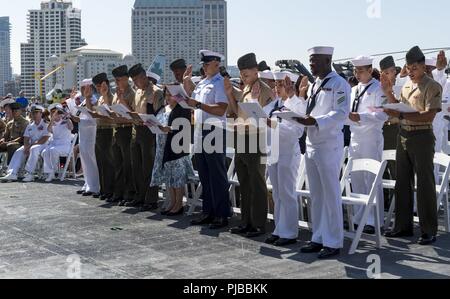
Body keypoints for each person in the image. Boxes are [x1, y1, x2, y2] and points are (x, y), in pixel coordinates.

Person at [382, 46, 442, 245]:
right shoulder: (407, 85)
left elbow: (429, 115)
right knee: (402, 182)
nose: (411, 71)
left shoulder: (432, 86)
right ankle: (402, 226)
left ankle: (428, 230)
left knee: (424, 183)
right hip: (404, 135)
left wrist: (399, 114)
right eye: (408, 68)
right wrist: (388, 93)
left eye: (414, 67)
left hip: (422, 135)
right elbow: (400, 107)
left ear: (423, 66)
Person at [294, 46, 351, 259]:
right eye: (310, 61)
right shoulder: (315, 84)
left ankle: (333, 241)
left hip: (328, 145)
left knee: (331, 194)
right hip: (311, 143)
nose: (311, 65)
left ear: (327, 60)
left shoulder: (339, 84)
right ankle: (318, 237)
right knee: (316, 195)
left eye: (315, 61)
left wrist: (316, 121)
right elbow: (311, 110)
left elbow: (341, 113)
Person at [226, 53, 273, 238]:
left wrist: (253, 101)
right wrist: (230, 93)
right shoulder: (246, 89)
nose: (243, 78)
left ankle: (259, 224)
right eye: (241, 75)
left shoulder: (264, 90)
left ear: (256, 71)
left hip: (256, 139)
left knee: (257, 183)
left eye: (246, 74)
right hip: (241, 138)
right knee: (243, 182)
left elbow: (264, 119)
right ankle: (246, 222)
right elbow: (235, 111)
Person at [184, 50, 231, 229]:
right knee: (204, 173)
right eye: (203, 64)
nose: (203, 66)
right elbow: (193, 101)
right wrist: (186, 85)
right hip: (200, 129)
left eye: (206, 63)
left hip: (214, 130)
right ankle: (208, 211)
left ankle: (221, 214)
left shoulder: (220, 83)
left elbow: (220, 109)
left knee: (217, 174)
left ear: (216, 64)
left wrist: (197, 104)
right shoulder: (203, 82)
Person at [264, 71, 306, 246]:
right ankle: (279, 228)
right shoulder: (274, 105)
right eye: (276, 84)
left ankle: (289, 232)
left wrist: (271, 125)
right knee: (278, 194)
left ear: (292, 86)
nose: (277, 87)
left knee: (287, 193)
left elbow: (296, 132)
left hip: (288, 153)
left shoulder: (299, 104)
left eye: (281, 84)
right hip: (273, 152)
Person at [347, 56, 388, 235]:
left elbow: (383, 115)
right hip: (355, 137)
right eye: (355, 71)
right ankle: (359, 217)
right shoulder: (353, 90)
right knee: (356, 178)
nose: (357, 74)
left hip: (371, 137)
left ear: (370, 70)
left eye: (361, 70)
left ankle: (374, 219)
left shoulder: (379, 89)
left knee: (372, 179)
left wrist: (361, 117)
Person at [149, 88, 195, 216]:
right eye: (167, 95)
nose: (168, 98)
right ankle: (172, 202)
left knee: (177, 178)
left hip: (176, 148)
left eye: (171, 95)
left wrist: (170, 129)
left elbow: (184, 126)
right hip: (162, 147)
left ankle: (178, 204)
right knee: (168, 177)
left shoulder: (182, 109)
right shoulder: (163, 108)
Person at [128, 63, 165, 212]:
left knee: (148, 167)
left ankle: (151, 199)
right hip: (136, 130)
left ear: (144, 77)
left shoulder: (156, 92)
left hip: (150, 132)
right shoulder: (137, 91)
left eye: (136, 79)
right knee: (136, 166)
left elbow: (160, 114)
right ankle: (140, 196)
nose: (135, 83)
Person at [0, 105, 50, 182]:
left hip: (43, 145)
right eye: (33, 113)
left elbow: (44, 138)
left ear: (41, 113)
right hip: (31, 145)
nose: (34, 115)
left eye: (36, 113)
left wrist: (30, 146)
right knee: (19, 150)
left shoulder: (46, 124)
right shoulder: (30, 125)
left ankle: (30, 173)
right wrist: (26, 146)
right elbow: (26, 138)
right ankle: (12, 173)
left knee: (33, 149)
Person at [111, 65, 135, 205]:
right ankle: (119, 192)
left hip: (127, 129)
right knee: (118, 164)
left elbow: (132, 115)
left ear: (126, 79)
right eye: (115, 80)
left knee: (128, 165)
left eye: (119, 79)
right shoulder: (116, 94)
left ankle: (129, 193)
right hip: (117, 130)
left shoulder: (131, 94)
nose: (117, 83)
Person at [92, 73, 116, 202]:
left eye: (100, 85)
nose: (98, 88)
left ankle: (110, 190)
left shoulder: (110, 96)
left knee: (108, 163)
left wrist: (106, 93)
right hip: (100, 130)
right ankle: (104, 189)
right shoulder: (100, 98)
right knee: (100, 162)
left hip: (108, 131)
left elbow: (109, 114)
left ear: (105, 84)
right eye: (96, 86)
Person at [77, 79, 101, 197]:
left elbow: (93, 118)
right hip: (83, 134)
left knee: (91, 160)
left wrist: (87, 98)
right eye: (82, 88)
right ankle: (87, 183)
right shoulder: (83, 101)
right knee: (84, 160)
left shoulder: (94, 100)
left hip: (91, 134)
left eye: (85, 88)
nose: (83, 91)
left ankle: (94, 186)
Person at [41, 104, 74, 182]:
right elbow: (49, 130)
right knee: (44, 152)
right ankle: (50, 172)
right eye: (54, 112)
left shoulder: (66, 121)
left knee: (53, 150)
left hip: (65, 145)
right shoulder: (52, 123)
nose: (57, 114)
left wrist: (67, 117)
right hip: (54, 144)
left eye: (59, 112)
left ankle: (53, 171)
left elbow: (71, 127)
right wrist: (52, 119)